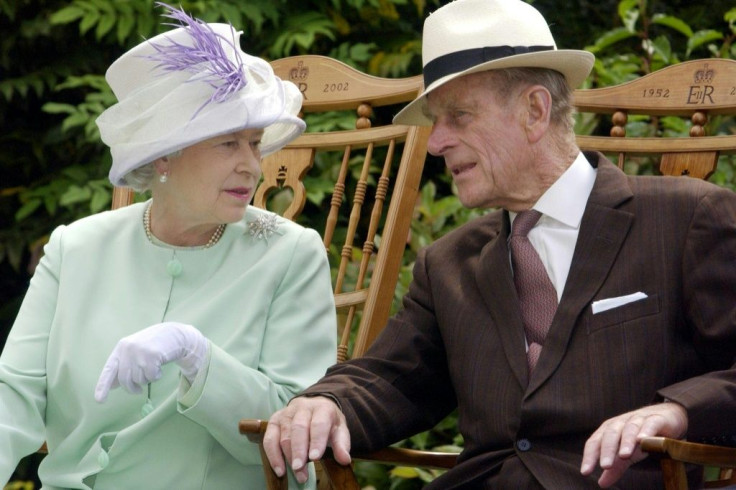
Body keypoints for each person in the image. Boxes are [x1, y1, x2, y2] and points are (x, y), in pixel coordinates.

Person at [261, 0, 736, 488]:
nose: (434, 142)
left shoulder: (687, 220)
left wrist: (677, 412)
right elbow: (390, 379)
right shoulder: (446, 264)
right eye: (434, 121)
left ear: (535, 110)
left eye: (458, 116)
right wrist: (323, 403)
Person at [0, 4, 337, 489]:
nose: (253, 166)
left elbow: (293, 430)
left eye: (255, 142)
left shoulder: (291, 255)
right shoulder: (74, 249)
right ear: (163, 158)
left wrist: (200, 358)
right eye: (228, 144)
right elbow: (14, 394)